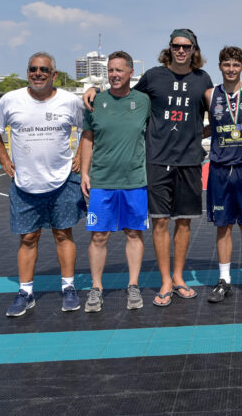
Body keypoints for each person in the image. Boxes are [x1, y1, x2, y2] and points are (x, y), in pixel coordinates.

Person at [83, 28, 212, 307]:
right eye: (176, 46)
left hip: (189, 161)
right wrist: (96, 90)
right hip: (157, 160)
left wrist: (198, 135)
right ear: (170, 48)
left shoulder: (203, 79)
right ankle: (165, 280)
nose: (181, 50)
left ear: (194, 50)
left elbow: (217, 115)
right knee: (160, 221)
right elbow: (122, 94)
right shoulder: (154, 76)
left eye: (186, 46)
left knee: (184, 222)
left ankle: (178, 277)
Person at [0, 52, 86, 317]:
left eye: (44, 69)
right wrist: (4, 159)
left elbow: (88, 128)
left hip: (63, 180)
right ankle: (26, 293)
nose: (38, 73)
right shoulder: (11, 100)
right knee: (28, 237)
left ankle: (68, 287)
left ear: (54, 74)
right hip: (25, 183)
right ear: (28, 72)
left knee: (63, 234)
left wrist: (79, 156)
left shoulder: (70, 101)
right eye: (33, 69)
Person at [79, 51, 151, 312]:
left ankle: (133, 286)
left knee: (134, 233)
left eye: (119, 70)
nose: (114, 74)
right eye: (110, 70)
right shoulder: (95, 101)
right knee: (99, 236)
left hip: (135, 179)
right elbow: (88, 138)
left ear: (131, 72)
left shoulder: (143, 101)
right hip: (102, 180)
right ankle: (96, 288)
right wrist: (84, 173)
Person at [203, 46, 242, 303]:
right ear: (220, 66)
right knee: (223, 226)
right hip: (219, 168)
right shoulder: (210, 94)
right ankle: (224, 280)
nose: (231, 69)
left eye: (235, 65)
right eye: (227, 64)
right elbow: (208, 126)